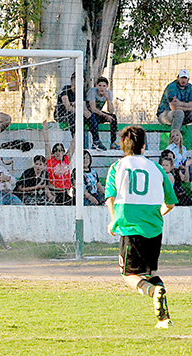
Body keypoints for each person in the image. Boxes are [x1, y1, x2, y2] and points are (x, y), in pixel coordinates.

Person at [104, 125, 177, 329]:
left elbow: (109, 197)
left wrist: (113, 220)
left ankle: (154, 292)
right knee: (151, 272)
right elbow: (170, 202)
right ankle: (163, 318)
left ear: (122, 145)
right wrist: (157, 214)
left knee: (128, 275)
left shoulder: (117, 167)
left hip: (130, 228)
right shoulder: (157, 168)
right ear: (144, 145)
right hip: (154, 230)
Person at [53, 73, 93, 144]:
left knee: (91, 116)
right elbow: (68, 107)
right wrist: (81, 112)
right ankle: (75, 139)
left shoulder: (81, 92)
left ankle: (96, 140)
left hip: (77, 113)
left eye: (82, 81)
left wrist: (86, 111)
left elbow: (84, 106)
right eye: (76, 80)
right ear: (72, 81)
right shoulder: (66, 90)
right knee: (74, 115)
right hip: (62, 114)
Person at [43, 118, 74, 205]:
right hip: (54, 191)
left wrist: (78, 129)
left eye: (60, 150)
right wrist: (45, 130)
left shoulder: (66, 159)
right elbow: (46, 144)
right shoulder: (51, 160)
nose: (58, 152)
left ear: (64, 152)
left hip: (65, 192)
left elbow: (73, 145)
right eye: (56, 150)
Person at [86, 76, 119, 150]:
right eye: (100, 85)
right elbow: (93, 109)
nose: (102, 88)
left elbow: (111, 111)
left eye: (104, 86)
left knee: (113, 117)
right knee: (93, 116)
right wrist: (105, 115)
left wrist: (108, 99)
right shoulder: (92, 91)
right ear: (96, 86)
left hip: (98, 115)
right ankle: (96, 141)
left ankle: (113, 142)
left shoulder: (108, 93)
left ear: (107, 87)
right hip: (88, 116)